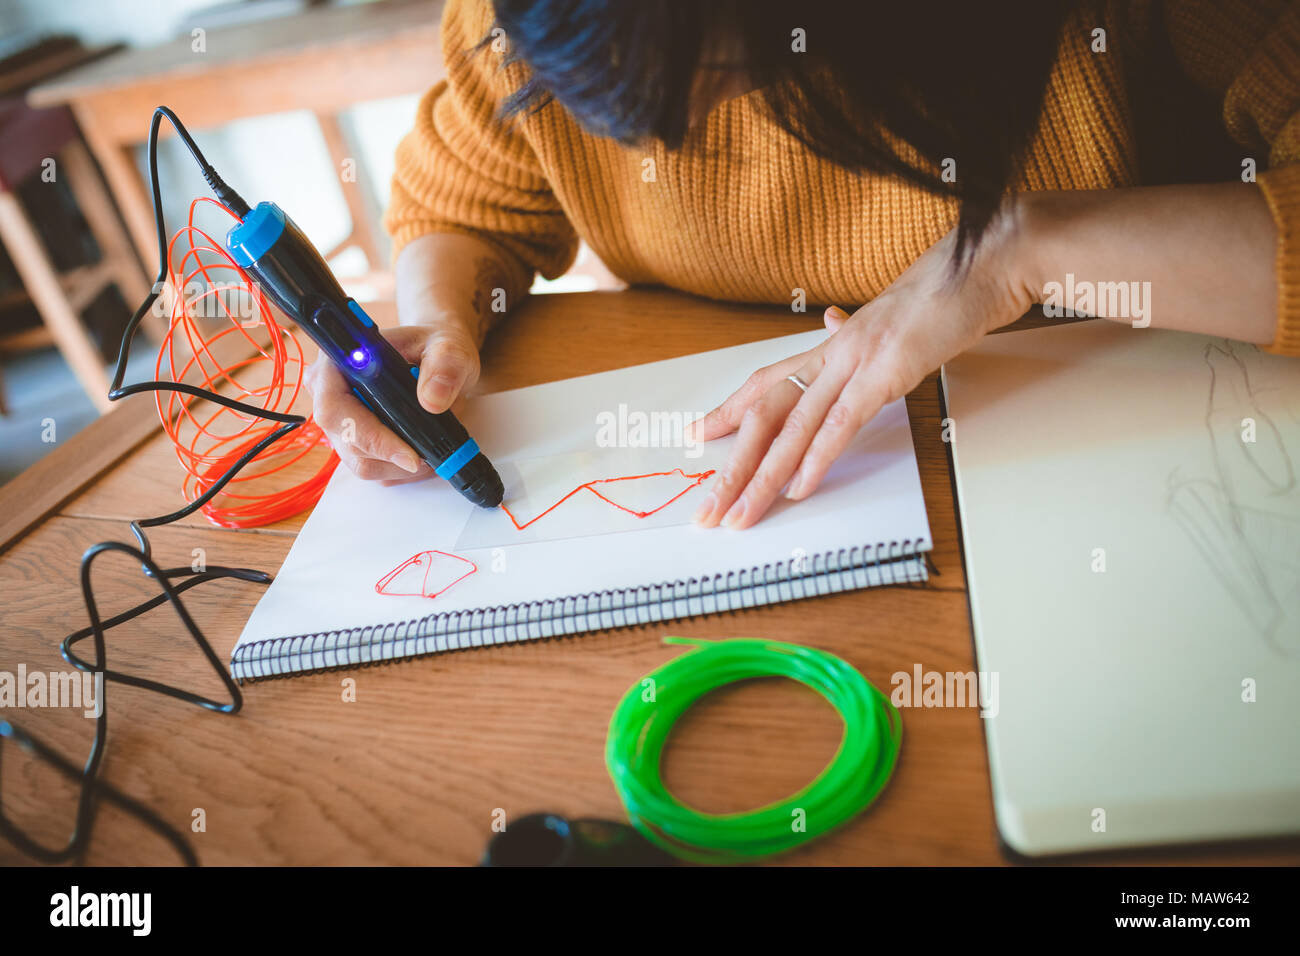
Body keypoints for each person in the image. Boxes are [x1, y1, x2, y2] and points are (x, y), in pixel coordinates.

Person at [304, 0, 1300, 529]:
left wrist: (1019, 250)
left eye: (719, 81)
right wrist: (440, 317)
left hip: (1129, 480)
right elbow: (465, 207)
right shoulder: (525, 18)